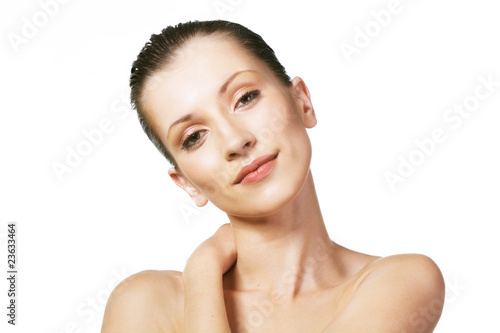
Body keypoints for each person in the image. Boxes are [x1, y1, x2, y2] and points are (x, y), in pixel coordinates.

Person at [101, 20, 445, 332]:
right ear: (187, 183)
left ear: (302, 102)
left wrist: (204, 270)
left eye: (245, 98)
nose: (236, 140)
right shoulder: (144, 304)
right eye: (194, 136)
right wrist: (201, 275)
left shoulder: (401, 282)